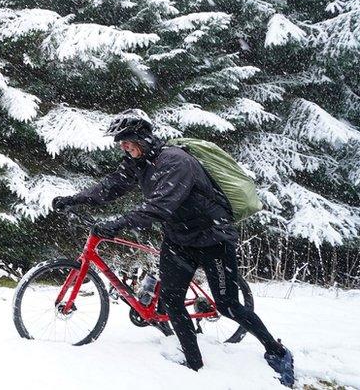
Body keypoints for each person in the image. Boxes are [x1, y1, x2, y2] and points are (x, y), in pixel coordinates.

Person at [52, 109, 295, 387]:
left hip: (213, 238)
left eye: (127, 141)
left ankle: (277, 352)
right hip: (179, 239)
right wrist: (75, 199)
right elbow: (111, 186)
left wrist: (117, 224)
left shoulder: (175, 161)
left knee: (228, 305)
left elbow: (160, 207)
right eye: (120, 143)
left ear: (142, 138)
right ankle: (194, 364)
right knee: (170, 300)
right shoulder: (139, 161)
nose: (123, 146)